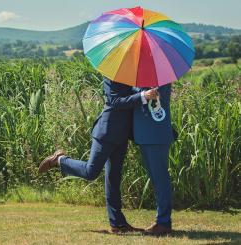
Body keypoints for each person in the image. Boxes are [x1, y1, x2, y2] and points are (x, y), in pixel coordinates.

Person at [39, 77, 158, 233]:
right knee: (91, 172)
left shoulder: (128, 74)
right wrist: (144, 96)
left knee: (113, 179)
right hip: (106, 132)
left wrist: (145, 91)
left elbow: (130, 93)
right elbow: (116, 101)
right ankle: (60, 160)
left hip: (121, 135)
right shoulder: (111, 75)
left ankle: (117, 224)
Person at [133, 84, 175, 236]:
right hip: (145, 134)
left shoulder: (159, 76)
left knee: (160, 179)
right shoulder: (143, 77)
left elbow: (149, 96)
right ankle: (162, 220)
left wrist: (136, 92)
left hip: (156, 134)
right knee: (157, 180)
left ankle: (164, 222)